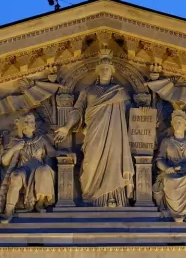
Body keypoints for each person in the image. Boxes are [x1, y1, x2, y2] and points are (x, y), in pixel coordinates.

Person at [53, 51, 133, 207]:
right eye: (102, 68)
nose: (105, 70)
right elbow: (77, 111)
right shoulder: (87, 91)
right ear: (98, 71)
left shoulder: (120, 92)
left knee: (114, 163)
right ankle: (90, 196)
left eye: (107, 68)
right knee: (90, 163)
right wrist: (66, 127)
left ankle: (113, 197)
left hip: (115, 135)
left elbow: (131, 115)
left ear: (112, 72)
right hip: (93, 133)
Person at [0, 114, 57, 221]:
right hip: (23, 169)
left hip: (38, 167)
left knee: (44, 171)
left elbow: (52, 152)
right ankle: (9, 210)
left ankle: (40, 203)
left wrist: (66, 152)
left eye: (32, 121)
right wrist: (14, 149)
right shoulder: (15, 141)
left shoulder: (41, 139)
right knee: (15, 176)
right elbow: (4, 161)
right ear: (22, 125)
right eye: (27, 122)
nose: (31, 124)